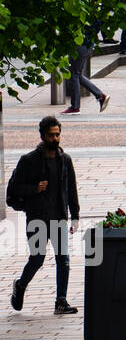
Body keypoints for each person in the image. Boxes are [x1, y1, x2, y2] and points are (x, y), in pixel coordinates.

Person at [7, 117, 80, 315]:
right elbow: (12, 190)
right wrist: (34, 189)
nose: (55, 138)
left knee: (63, 259)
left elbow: (71, 189)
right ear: (42, 136)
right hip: (37, 218)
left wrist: (75, 216)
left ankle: (61, 301)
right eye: (51, 135)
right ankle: (20, 285)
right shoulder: (29, 161)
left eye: (58, 134)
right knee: (37, 258)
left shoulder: (65, 160)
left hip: (58, 217)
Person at [62, 30, 109, 115]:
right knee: (77, 75)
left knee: (74, 74)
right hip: (87, 45)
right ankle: (100, 96)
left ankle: (75, 107)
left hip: (80, 45)